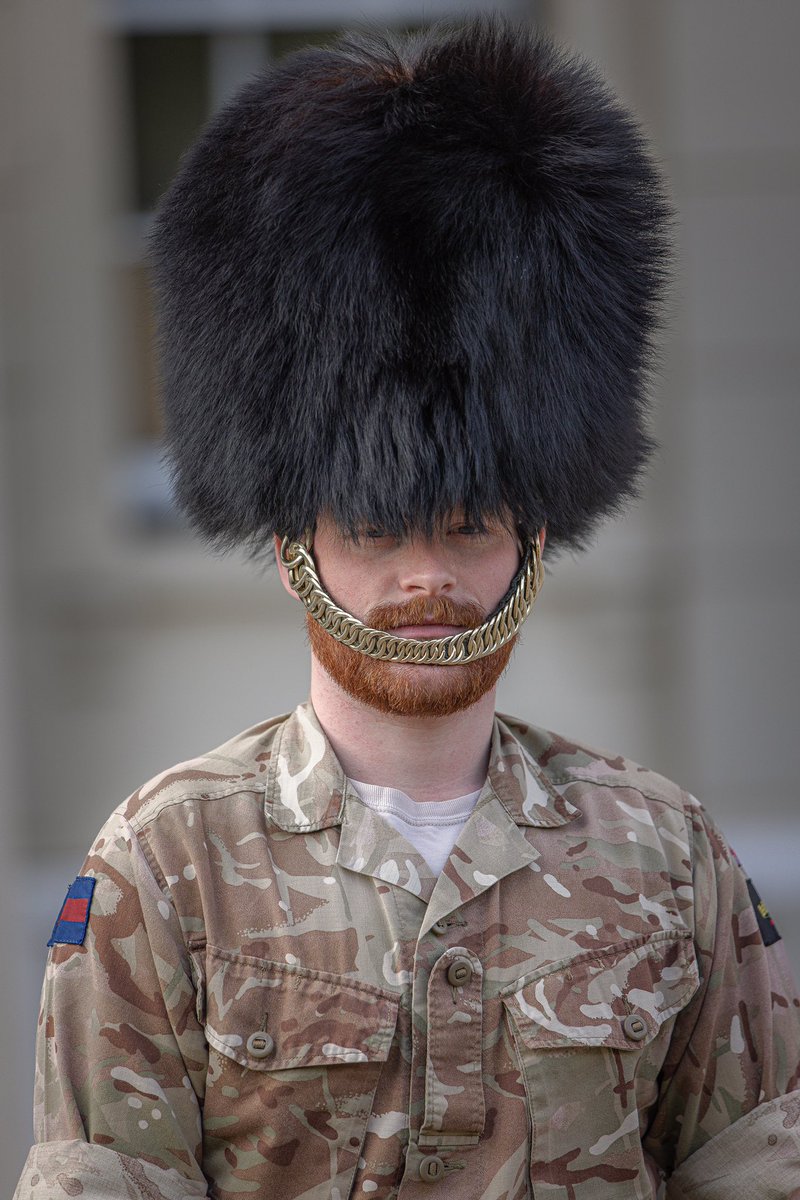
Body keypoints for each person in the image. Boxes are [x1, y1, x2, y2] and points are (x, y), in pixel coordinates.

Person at [14, 17, 800, 1200]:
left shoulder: (665, 854)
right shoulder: (163, 864)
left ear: (532, 538)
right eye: (373, 531)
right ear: (293, 550)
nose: (422, 577)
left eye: (466, 525)